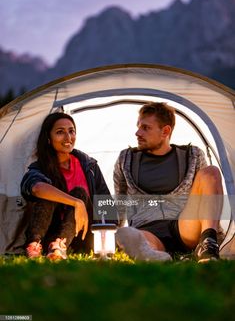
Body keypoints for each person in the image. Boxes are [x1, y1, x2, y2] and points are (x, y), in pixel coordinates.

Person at [114, 102, 223, 263]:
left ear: (165, 131)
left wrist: (217, 232)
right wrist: (111, 231)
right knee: (131, 237)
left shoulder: (192, 156)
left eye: (146, 128)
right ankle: (156, 255)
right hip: (147, 229)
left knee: (211, 172)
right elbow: (120, 203)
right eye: (138, 126)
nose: (138, 132)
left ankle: (208, 243)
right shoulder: (126, 159)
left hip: (184, 226)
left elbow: (206, 196)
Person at [21, 112, 110, 260]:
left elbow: (106, 203)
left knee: (80, 192)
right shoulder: (39, 167)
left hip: (81, 235)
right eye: (60, 132)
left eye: (71, 131)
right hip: (48, 232)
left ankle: (60, 246)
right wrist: (76, 203)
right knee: (47, 191)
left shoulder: (90, 166)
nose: (68, 138)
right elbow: (36, 188)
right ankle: (34, 245)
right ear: (48, 138)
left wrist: (108, 235)